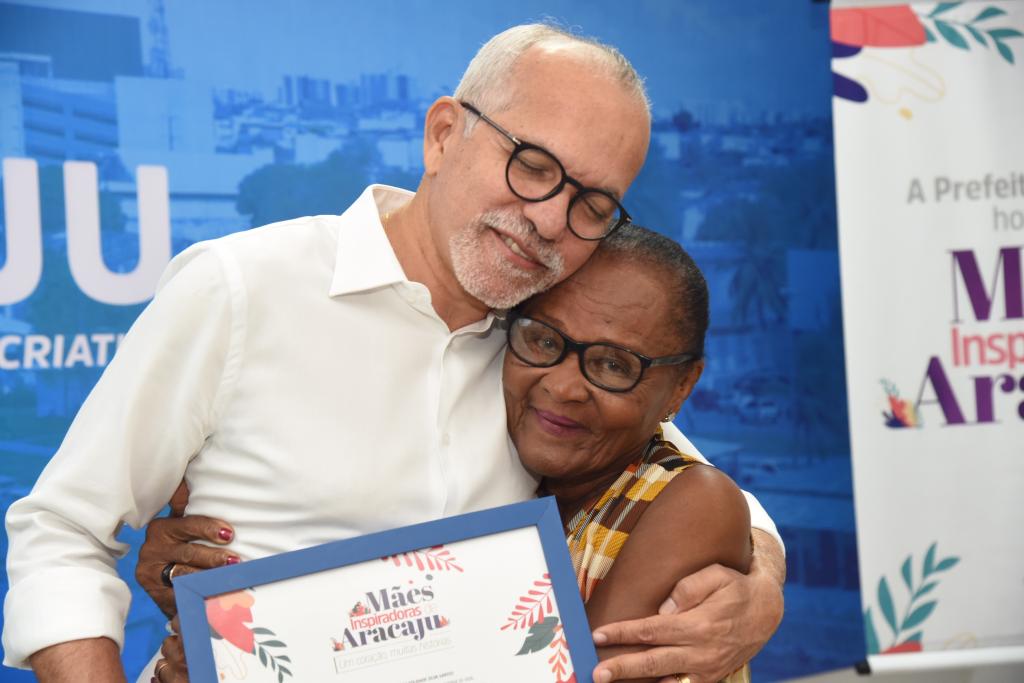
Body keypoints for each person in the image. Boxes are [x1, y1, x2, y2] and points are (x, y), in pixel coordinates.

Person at [3, 24, 784, 683]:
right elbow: (64, 532)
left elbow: (687, 474)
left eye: (592, 203)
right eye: (533, 166)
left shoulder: (544, 347)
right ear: (444, 135)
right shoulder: (242, 288)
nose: (550, 219)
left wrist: (764, 585)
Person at [147, 225, 754, 683]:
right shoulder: (503, 460)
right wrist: (228, 638)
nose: (565, 385)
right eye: (545, 340)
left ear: (682, 385)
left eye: (614, 365)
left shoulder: (688, 502)